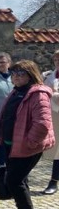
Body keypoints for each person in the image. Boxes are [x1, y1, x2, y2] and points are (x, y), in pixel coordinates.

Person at [0, 60, 54, 209]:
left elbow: (43, 124)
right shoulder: (17, 91)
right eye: (13, 73)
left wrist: (29, 143)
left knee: (14, 180)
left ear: (30, 75)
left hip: (27, 147)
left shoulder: (38, 94)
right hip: (11, 145)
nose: (15, 77)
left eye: (20, 74)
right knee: (19, 180)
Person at [41, 49, 59, 195]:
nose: (58, 62)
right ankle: (53, 181)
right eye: (56, 60)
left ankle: (53, 181)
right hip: (51, 115)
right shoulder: (47, 76)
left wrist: (54, 93)